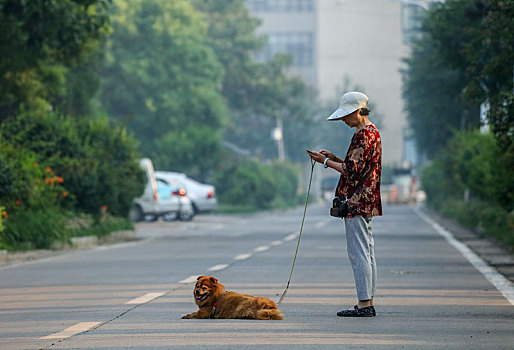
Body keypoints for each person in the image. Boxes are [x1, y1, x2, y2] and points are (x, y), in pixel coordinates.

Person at [308, 91, 382, 317]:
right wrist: (335, 158)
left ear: (359, 111)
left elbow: (351, 171)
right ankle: (367, 301)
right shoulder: (373, 132)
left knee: (358, 253)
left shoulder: (363, 135)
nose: (344, 120)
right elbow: (355, 166)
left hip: (356, 201)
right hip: (366, 199)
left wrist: (325, 162)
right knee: (367, 252)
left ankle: (364, 304)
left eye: (347, 115)